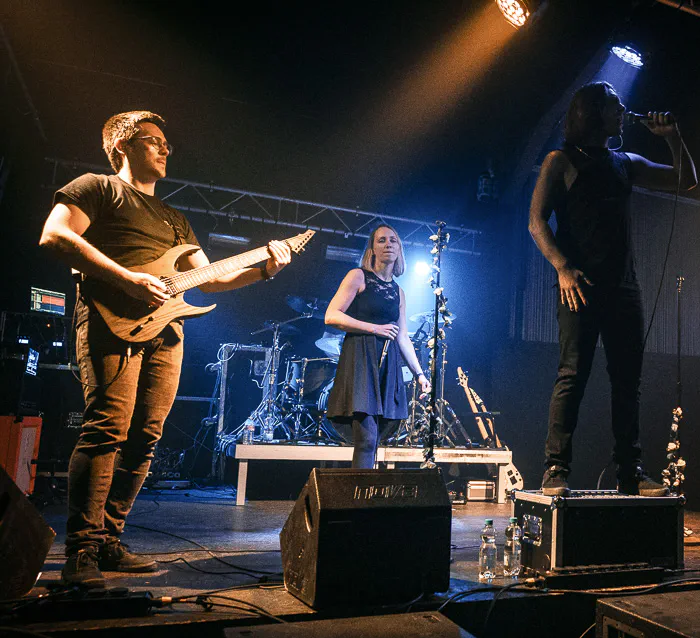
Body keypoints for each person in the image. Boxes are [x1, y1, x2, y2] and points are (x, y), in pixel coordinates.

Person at [39, 111, 293, 587]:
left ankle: (109, 540)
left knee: (146, 436)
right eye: (153, 140)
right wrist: (127, 279)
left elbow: (210, 279)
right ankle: (81, 551)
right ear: (122, 145)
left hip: (167, 331)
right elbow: (55, 235)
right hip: (111, 319)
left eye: (166, 143)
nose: (164, 148)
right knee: (106, 428)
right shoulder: (97, 187)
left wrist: (265, 269)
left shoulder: (175, 219)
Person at [528, 81, 697, 496]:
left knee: (627, 382)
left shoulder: (625, 163)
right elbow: (536, 222)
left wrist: (673, 137)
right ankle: (555, 469)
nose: (623, 112)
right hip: (579, 286)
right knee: (573, 374)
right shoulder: (560, 161)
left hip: (624, 287)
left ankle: (630, 471)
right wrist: (562, 267)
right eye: (615, 106)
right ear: (593, 112)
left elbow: (686, 180)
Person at [323, 224, 431, 468]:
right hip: (361, 360)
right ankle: (359, 491)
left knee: (375, 439)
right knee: (366, 438)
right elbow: (331, 315)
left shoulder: (398, 292)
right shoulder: (358, 276)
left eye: (393, 240)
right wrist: (374, 328)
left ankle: (365, 488)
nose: (388, 244)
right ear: (372, 249)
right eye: (381, 240)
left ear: (399, 248)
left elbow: (403, 337)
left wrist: (420, 374)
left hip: (386, 365)